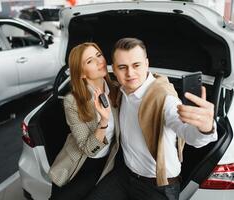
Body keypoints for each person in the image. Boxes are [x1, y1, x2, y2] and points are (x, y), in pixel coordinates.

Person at [85, 37, 218, 200]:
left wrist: (205, 127)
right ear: (114, 69)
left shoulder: (164, 98)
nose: (130, 73)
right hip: (125, 175)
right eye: (122, 67)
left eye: (136, 65)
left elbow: (188, 133)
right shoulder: (121, 91)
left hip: (158, 187)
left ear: (147, 64)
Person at [48, 42, 120, 200]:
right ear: (81, 73)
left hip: (105, 164)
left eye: (99, 55)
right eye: (90, 61)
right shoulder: (72, 101)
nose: (99, 61)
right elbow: (88, 149)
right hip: (77, 166)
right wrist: (104, 121)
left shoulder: (116, 90)